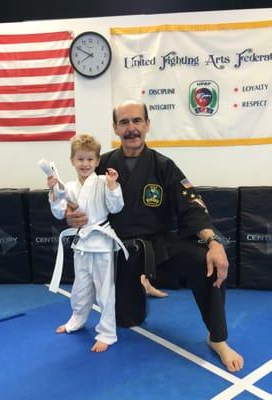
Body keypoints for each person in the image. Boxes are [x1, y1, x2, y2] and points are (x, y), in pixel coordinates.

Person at [64, 101, 244, 372]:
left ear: (147, 125)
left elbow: (192, 205)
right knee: (127, 320)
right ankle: (141, 287)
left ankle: (217, 338)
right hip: (118, 249)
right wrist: (72, 216)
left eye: (137, 121)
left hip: (158, 246)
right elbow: (80, 201)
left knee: (205, 262)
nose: (131, 128)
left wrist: (214, 242)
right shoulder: (103, 165)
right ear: (115, 128)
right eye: (124, 122)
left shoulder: (163, 166)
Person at [46, 133, 128, 353]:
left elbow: (116, 207)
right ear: (72, 160)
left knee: (105, 291)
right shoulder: (69, 187)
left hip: (102, 243)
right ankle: (77, 320)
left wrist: (112, 185)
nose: (85, 164)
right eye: (80, 159)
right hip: (81, 243)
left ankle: (108, 333)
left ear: (98, 161)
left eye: (90, 159)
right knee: (80, 289)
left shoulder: (103, 181)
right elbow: (58, 213)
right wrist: (53, 191)